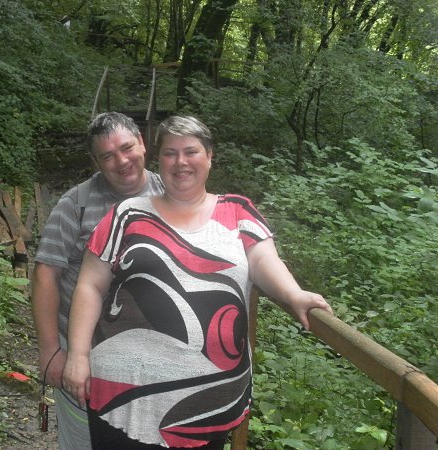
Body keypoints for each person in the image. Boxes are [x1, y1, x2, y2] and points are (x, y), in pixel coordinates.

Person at [62, 115, 334, 449]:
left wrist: (294, 294)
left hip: (206, 402)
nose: (180, 162)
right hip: (121, 391)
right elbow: (90, 286)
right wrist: (77, 355)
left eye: (190, 151)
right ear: (159, 160)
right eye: (170, 153)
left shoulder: (238, 212)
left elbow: (265, 260)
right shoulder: (127, 214)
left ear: (209, 156)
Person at [31, 111, 165, 450]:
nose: (122, 161)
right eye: (107, 156)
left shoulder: (170, 193)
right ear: (95, 161)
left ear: (142, 143)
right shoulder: (75, 204)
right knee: (86, 440)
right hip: (85, 356)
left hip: (154, 356)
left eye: (126, 148)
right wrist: (50, 351)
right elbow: (46, 274)